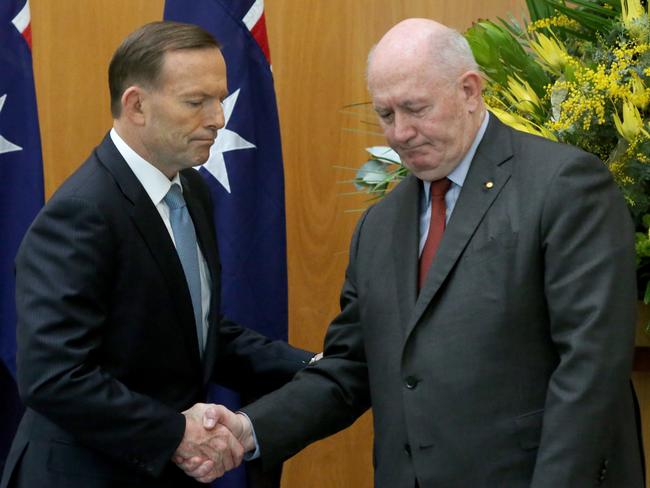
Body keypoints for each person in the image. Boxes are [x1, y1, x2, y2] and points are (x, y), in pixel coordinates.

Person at [185, 17, 646, 487]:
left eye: (416, 108)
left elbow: (590, 369)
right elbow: (350, 368)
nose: (401, 132)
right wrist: (247, 430)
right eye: (386, 114)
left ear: (470, 91)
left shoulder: (564, 187)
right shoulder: (379, 227)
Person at [0, 21, 314, 488]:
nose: (218, 119)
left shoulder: (189, 190)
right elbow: (54, 376)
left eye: (220, 99)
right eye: (196, 102)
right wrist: (175, 432)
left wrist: (317, 368)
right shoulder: (82, 214)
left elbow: (196, 331)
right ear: (136, 105)